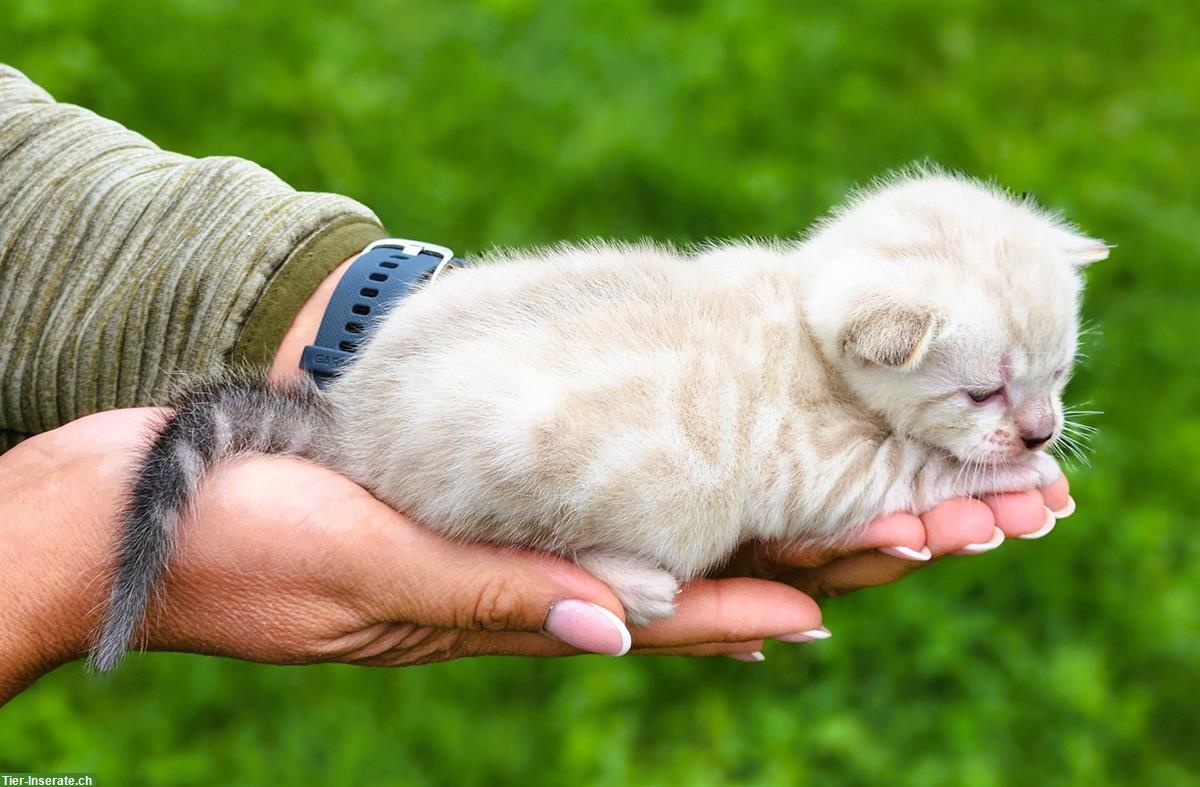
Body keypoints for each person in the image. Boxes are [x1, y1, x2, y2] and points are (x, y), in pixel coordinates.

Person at [0, 64, 1072, 704]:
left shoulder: (781, 289)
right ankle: (546, 534)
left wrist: (342, 304)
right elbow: (808, 480)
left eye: (1056, 383)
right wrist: (47, 547)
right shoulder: (840, 340)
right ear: (875, 337)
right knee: (689, 488)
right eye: (990, 401)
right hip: (454, 438)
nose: (1043, 429)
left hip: (410, 388)